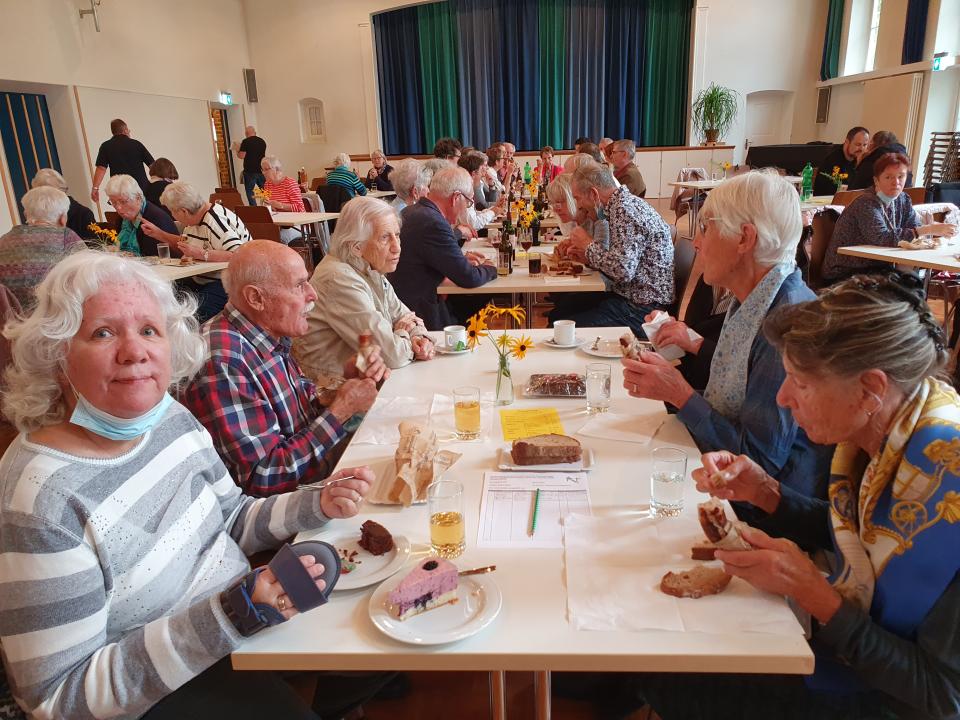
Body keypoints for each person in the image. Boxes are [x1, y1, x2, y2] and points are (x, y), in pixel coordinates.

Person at [0, 250, 380, 720]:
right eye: (103, 333)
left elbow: (231, 517)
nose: (134, 352)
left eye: (149, 330)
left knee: (383, 635)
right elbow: (58, 698)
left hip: (239, 621)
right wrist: (230, 615)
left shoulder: (167, 418)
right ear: (57, 355)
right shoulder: (40, 498)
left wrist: (317, 503)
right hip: (162, 686)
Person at [605, 274, 960, 720]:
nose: (783, 398)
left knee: (659, 663)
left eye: (801, 383)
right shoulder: (894, 434)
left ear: (871, 389)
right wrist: (766, 492)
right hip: (844, 640)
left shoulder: (946, 486)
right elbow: (857, 532)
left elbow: (943, 697)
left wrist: (814, 594)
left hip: (879, 698)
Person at [621, 170, 832, 519]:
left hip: (762, 516)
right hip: (720, 479)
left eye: (706, 228)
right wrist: (670, 386)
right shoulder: (754, 301)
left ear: (744, 238)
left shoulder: (788, 324)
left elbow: (757, 466)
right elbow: (730, 403)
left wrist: (680, 394)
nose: (697, 243)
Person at [181, 240, 386, 497]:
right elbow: (263, 477)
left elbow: (301, 411)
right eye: (300, 285)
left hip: (318, 476)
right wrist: (342, 409)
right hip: (293, 502)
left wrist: (347, 387)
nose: (313, 294)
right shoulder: (223, 361)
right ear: (256, 298)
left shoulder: (265, 334)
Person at [295, 196, 435, 379]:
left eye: (397, 235)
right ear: (356, 247)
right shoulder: (339, 278)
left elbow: (405, 315)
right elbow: (391, 355)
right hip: (334, 388)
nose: (397, 247)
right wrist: (402, 333)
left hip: (366, 378)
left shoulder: (370, 266)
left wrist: (419, 337)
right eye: (385, 238)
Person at [550, 163, 673, 337]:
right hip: (630, 295)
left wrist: (587, 244)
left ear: (593, 194)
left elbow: (623, 271)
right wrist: (588, 258)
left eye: (578, 198)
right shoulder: (622, 205)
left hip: (643, 308)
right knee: (561, 311)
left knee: (560, 327)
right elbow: (621, 262)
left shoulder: (625, 210)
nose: (579, 205)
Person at [821, 152, 958, 283]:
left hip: (877, 269)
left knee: (911, 283)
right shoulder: (866, 203)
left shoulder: (903, 199)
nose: (896, 182)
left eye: (901, 176)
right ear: (876, 180)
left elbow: (914, 227)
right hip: (844, 272)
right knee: (906, 285)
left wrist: (931, 229)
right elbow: (881, 237)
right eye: (888, 177)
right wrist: (927, 229)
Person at [388, 167, 497, 330]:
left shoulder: (412, 211)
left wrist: (459, 260)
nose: (466, 207)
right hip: (421, 312)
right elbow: (468, 277)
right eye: (468, 202)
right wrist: (491, 267)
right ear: (456, 198)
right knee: (483, 292)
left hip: (407, 301)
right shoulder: (433, 222)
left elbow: (426, 259)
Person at [142, 180, 252, 322]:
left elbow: (240, 254)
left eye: (172, 211)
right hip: (203, 279)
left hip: (231, 282)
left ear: (184, 211)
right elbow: (186, 243)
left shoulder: (215, 221)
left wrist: (201, 254)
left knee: (192, 314)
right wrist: (159, 234)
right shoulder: (194, 220)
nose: (172, 216)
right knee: (166, 295)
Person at [0, 186, 85, 309]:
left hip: (11, 318)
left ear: (26, 214)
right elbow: (90, 275)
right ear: (62, 218)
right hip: (56, 315)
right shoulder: (67, 237)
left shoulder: (4, 240)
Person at [103, 174, 178, 257]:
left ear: (138, 198)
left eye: (123, 202)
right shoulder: (123, 220)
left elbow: (154, 257)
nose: (118, 208)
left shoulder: (155, 219)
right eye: (113, 202)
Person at [91, 118, 154, 202]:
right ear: (125, 130)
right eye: (128, 130)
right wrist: (157, 185)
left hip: (119, 190)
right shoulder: (136, 144)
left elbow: (101, 168)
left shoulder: (106, 146)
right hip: (140, 188)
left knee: (122, 210)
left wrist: (95, 188)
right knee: (143, 209)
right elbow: (153, 166)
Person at [30, 167, 95, 239]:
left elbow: (93, 245)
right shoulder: (37, 216)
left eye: (48, 194)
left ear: (63, 191)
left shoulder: (83, 214)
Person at [260, 155, 307, 244]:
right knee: (260, 237)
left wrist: (280, 205)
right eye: (262, 170)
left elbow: (300, 208)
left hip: (296, 225)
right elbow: (268, 207)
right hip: (278, 225)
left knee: (278, 238)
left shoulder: (290, 183)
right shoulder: (267, 184)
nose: (263, 173)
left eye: (266, 169)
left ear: (276, 169)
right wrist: (268, 206)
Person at [813, 125, 869, 196]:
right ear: (847, 142)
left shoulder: (863, 160)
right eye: (858, 144)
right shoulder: (832, 160)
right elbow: (833, 190)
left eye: (865, 145)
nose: (861, 149)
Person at [457, 151, 498, 231]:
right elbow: (474, 224)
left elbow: (473, 214)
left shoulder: (467, 187)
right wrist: (493, 212)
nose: (483, 173)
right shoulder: (464, 191)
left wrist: (492, 210)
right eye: (481, 169)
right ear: (473, 173)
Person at [234, 124, 267, 204]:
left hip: (249, 171)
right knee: (264, 191)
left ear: (246, 133)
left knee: (250, 192)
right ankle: (268, 206)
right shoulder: (262, 141)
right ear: (255, 132)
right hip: (261, 170)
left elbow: (241, 156)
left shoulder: (245, 142)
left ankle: (254, 209)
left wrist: (237, 149)